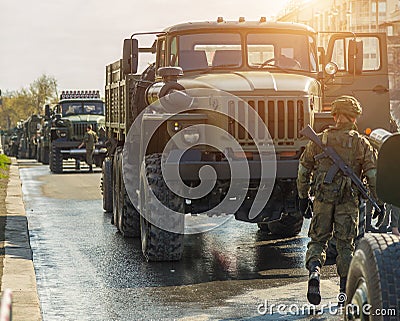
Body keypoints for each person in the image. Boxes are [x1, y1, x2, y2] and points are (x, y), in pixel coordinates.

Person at [296, 95, 385, 305]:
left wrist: (302, 196)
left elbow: (303, 169)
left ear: (335, 116)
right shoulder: (361, 143)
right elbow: (372, 176)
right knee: (346, 245)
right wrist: (378, 202)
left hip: (322, 199)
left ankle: (314, 276)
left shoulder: (321, 139)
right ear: (354, 118)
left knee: (318, 241)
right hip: (348, 202)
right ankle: (344, 293)